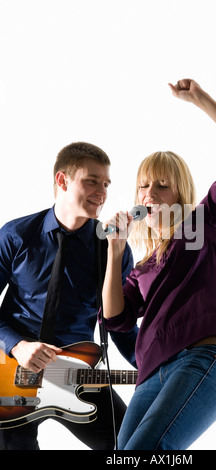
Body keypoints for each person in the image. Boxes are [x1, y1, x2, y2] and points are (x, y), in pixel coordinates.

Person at [101, 79, 216, 450]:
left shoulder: (202, 224)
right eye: (143, 186)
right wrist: (113, 253)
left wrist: (200, 99)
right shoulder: (141, 268)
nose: (150, 194)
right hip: (152, 376)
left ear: (180, 196)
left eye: (162, 186)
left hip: (205, 357)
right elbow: (116, 320)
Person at [0, 142, 138, 450]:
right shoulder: (16, 235)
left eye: (106, 184)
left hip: (80, 371)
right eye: (91, 180)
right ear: (62, 181)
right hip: (11, 372)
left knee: (134, 447)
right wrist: (17, 345)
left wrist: (159, 363)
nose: (102, 192)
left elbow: (121, 324)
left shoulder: (113, 248)